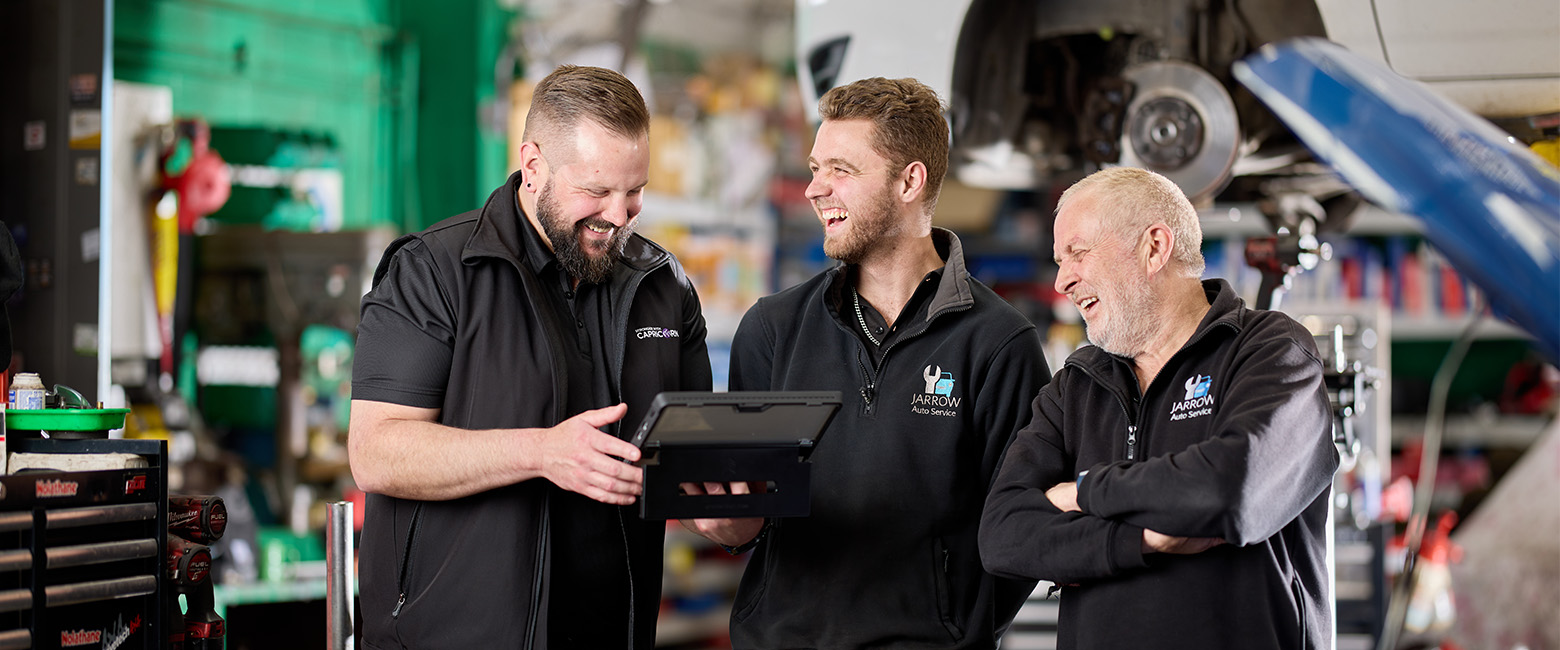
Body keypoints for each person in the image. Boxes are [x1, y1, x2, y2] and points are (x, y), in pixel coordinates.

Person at [348, 64, 712, 649]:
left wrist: (733, 509)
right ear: (533, 165)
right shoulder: (434, 272)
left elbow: (690, 472)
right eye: (595, 191)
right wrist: (542, 452)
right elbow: (376, 453)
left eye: (634, 192)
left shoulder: (663, 287)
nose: (618, 216)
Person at [681, 77, 1051, 649]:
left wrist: (953, 628)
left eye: (841, 171)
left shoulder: (999, 345)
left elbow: (1019, 531)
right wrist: (730, 523)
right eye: (814, 168)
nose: (814, 189)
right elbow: (751, 518)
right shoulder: (773, 329)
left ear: (910, 180)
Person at [978, 167, 1339, 649]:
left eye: (1079, 253)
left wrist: (1079, 494)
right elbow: (1003, 534)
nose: (1063, 280)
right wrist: (1140, 540)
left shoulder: (1271, 350)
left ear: (1154, 247)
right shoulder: (1077, 386)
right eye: (1059, 260)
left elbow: (1231, 489)